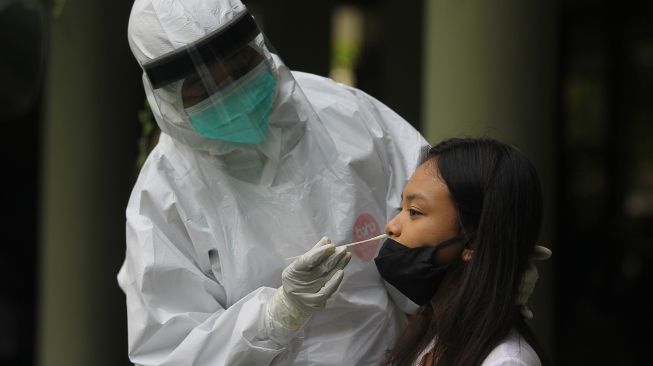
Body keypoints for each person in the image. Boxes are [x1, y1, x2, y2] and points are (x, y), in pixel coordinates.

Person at [116, 0, 429, 365]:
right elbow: (170, 351)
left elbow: (442, 219)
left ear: (258, 49)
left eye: (239, 70)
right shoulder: (164, 193)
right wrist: (277, 315)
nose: (230, 95)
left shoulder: (343, 113)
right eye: (204, 88)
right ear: (168, 98)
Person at [374, 138, 551, 366]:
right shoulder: (429, 337)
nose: (391, 226)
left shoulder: (505, 362)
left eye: (414, 211)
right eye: (401, 208)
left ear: (473, 242)